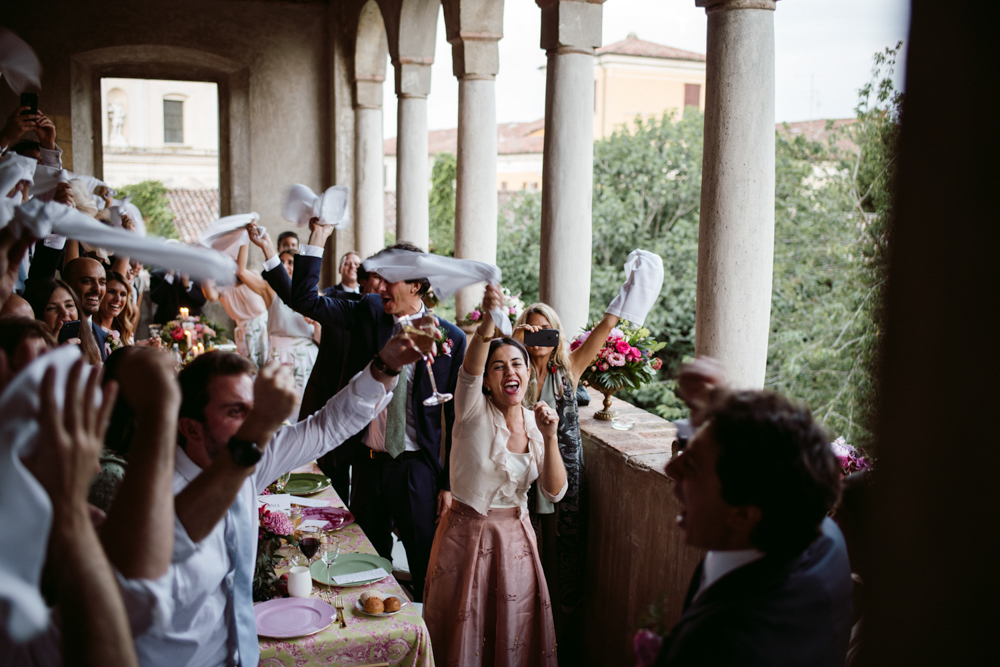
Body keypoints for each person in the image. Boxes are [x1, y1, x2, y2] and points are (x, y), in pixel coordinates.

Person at [134, 333, 423, 667]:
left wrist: (385, 365)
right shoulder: (156, 493)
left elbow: (326, 427)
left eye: (254, 410)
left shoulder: (248, 461)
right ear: (191, 428)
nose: (255, 425)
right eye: (235, 411)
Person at [275, 219, 466, 602]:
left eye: (389, 277)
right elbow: (305, 301)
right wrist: (319, 238)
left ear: (416, 283)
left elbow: (455, 420)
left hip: (416, 469)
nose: (378, 284)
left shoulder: (452, 338)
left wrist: (447, 484)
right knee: (364, 565)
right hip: (365, 464)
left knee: (425, 564)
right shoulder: (366, 312)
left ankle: (425, 640)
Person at [657, 362, 852, 667]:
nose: (670, 469)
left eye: (691, 465)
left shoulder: (723, 648)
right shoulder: (821, 536)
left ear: (744, 515)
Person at [424, 283, 567, 665]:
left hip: (517, 544)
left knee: (513, 636)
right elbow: (469, 369)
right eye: (498, 366)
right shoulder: (470, 410)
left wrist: (551, 437)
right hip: (464, 538)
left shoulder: (538, 423)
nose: (509, 371)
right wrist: (489, 322)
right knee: (461, 639)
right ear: (487, 380)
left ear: (527, 373)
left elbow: (554, 493)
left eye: (517, 364)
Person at [512, 302, 620, 653]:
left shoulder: (568, 368)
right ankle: (523, 631)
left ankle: (558, 637)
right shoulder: (515, 371)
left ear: (556, 333)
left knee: (562, 552)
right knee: (525, 551)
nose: (539, 336)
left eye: (546, 329)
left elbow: (604, 330)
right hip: (523, 472)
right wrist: (515, 341)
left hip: (561, 472)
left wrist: (629, 295)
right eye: (532, 329)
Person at [236, 230, 318, 407]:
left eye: (291, 262)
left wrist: (317, 323)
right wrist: (244, 237)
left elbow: (320, 338)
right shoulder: (270, 290)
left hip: (308, 360)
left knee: (307, 410)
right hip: (280, 358)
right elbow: (241, 272)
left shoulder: (315, 295)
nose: (286, 266)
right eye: (282, 263)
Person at [202, 244, 269, 369]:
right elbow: (210, 296)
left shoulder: (252, 275)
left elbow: (241, 272)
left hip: (264, 329)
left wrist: (244, 238)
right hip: (243, 334)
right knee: (249, 371)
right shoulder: (223, 289)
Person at [23, 276, 102, 365]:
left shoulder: (88, 345)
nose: (64, 312)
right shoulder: (31, 355)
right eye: (52, 308)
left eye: (69, 305)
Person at [61, 257, 109, 361]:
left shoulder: (103, 336)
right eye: (87, 281)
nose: (97, 289)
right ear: (67, 284)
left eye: (102, 283)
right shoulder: (59, 333)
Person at [97, 270, 136, 349]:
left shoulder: (124, 330)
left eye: (123, 294)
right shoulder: (91, 330)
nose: (118, 299)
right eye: (111, 292)